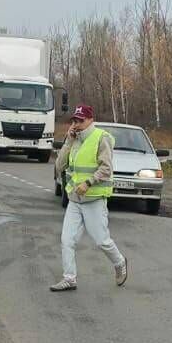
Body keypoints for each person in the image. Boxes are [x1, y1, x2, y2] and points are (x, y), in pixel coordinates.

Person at [51, 105, 128, 291]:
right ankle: (69, 278)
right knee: (67, 240)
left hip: (94, 198)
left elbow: (106, 168)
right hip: (75, 200)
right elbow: (59, 166)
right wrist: (68, 142)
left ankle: (119, 263)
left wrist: (89, 182)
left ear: (90, 120)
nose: (76, 124)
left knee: (101, 240)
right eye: (74, 120)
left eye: (80, 120)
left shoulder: (101, 138)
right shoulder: (74, 140)